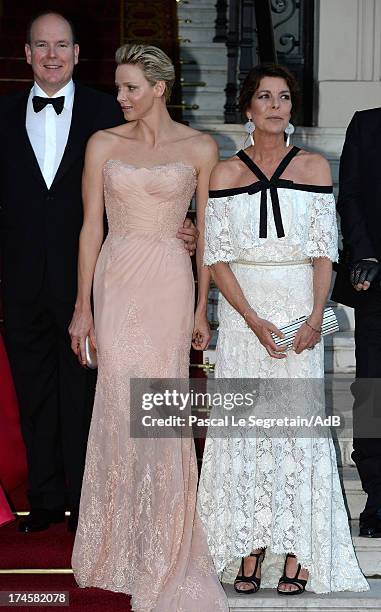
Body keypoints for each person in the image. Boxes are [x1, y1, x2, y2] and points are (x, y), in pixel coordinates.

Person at [0, 11, 197, 535]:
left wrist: (189, 227)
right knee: (33, 391)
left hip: (98, 280)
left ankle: (87, 500)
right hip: (19, 280)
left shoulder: (112, 110)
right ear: (26, 54)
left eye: (61, 45)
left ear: (77, 53)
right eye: (40, 45)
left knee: (87, 394)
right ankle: (44, 499)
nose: (51, 55)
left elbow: (159, 171)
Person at [195, 64, 369, 595]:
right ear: (247, 107)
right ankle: (247, 546)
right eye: (265, 97)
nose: (276, 105)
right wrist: (249, 319)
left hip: (299, 310)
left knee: (295, 428)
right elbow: (218, 256)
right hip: (247, 316)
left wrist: (316, 317)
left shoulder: (314, 166)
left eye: (285, 98)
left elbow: (324, 250)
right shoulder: (224, 174)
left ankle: (299, 549)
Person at [69, 44, 228, 611]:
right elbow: (90, 228)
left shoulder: (201, 147)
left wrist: (201, 306)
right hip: (117, 279)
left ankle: (162, 543)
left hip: (168, 280)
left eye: (131, 87)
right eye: (118, 88)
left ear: (159, 88)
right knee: (118, 401)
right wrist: (83, 304)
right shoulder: (103, 144)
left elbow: (209, 233)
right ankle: (116, 543)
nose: (121, 97)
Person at [331, 108, 381, 538]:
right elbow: (349, 195)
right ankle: (378, 498)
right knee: (372, 391)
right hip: (378, 284)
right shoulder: (366, 124)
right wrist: (365, 253)